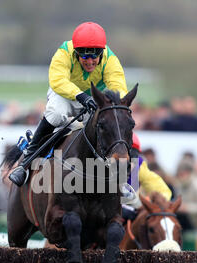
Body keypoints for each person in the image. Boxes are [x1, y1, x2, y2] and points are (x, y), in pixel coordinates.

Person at [9, 21, 128, 186]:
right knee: (56, 114)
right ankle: (26, 162)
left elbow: (118, 88)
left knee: (110, 123)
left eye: (94, 55)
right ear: (76, 52)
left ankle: (120, 179)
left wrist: (111, 105)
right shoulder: (64, 52)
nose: (89, 61)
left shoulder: (110, 59)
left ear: (102, 52)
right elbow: (57, 80)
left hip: (94, 100)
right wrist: (81, 96)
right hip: (65, 94)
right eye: (84, 56)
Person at [121, 133, 172, 222]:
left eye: (132, 155)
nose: (129, 161)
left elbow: (163, 191)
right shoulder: (96, 164)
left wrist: (150, 202)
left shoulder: (139, 166)